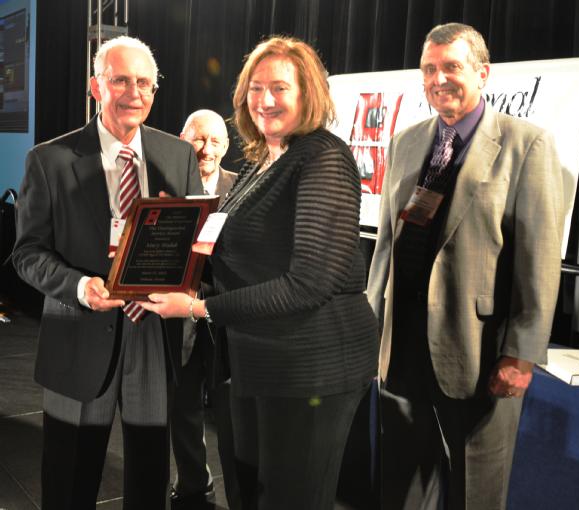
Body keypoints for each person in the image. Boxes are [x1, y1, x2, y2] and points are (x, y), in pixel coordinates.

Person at [141, 35, 379, 510]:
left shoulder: (323, 158)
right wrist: (169, 231)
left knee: (291, 499)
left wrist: (198, 307)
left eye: (279, 88)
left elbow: (310, 283)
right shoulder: (263, 157)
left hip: (310, 367)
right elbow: (234, 249)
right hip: (256, 361)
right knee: (250, 493)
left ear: (308, 93)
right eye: (255, 87)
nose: (265, 100)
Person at [366, 22, 564, 510]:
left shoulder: (526, 144)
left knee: (476, 491)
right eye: (429, 69)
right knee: (401, 487)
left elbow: (538, 262)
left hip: (479, 353)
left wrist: (520, 355)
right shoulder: (407, 142)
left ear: (482, 72)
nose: (438, 79)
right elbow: (388, 246)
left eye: (451, 67)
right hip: (405, 346)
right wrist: (373, 328)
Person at [12, 36, 202, 510]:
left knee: (148, 478)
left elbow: (196, 246)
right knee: (69, 480)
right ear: (96, 86)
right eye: (121, 80)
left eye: (144, 83)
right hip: (78, 333)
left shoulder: (177, 157)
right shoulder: (49, 160)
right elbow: (27, 253)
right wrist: (78, 286)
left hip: (153, 335)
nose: (134, 93)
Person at [170, 109, 239, 510]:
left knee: (230, 413)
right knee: (183, 407)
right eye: (199, 139)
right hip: (179, 314)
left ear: (226, 147)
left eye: (215, 141)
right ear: (183, 138)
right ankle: (194, 485)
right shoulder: (165, 184)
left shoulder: (242, 186)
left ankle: (239, 494)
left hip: (224, 316)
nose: (206, 149)